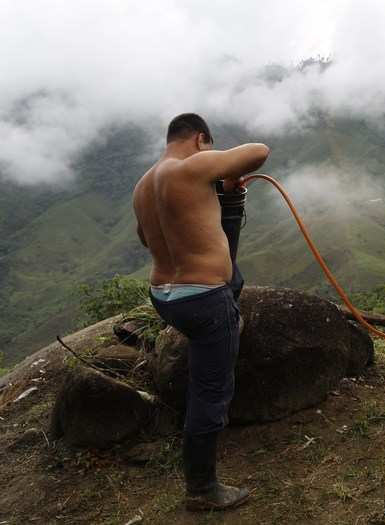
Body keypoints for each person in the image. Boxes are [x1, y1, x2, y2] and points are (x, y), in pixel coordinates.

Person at [132, 113, 269, 511]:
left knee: (233, 282)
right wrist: (218, 168)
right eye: (208, 147)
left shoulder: (143, 185)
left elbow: (147, 237)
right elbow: (259, 152)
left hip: (165, 295)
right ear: (200, 139)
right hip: (204, 300)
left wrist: (218, 192)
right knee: (210, 392)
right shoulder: (192, 165)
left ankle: (228, 323)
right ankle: (202, 489)